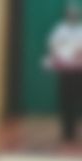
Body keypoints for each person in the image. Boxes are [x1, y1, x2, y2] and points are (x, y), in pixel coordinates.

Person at [46, 0, 82, 145]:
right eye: (70, 14)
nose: (73, 16)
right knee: (65, 99)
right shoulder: (60, 30)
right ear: (66, 15)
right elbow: (53, 45)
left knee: (76, 100)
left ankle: (74, 130)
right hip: (65, 71)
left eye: (75, 14)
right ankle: (66, 131)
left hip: (78, 71)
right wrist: (58, 53)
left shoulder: (81, 30)